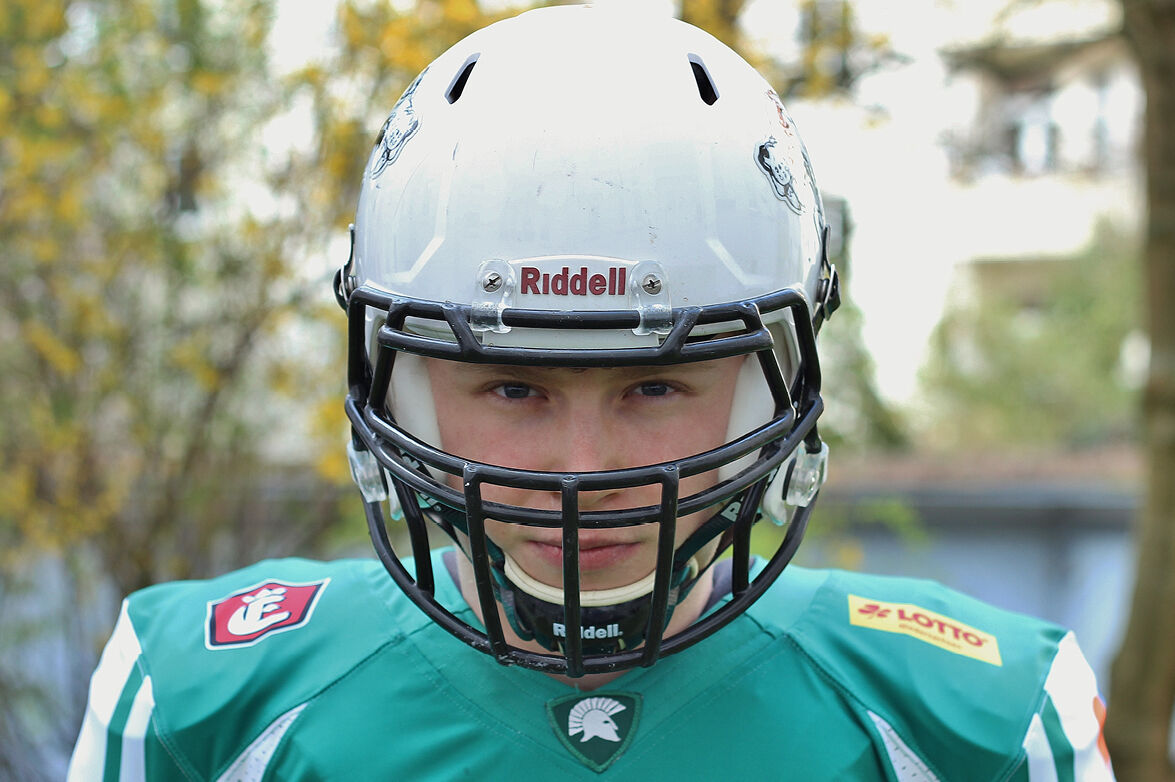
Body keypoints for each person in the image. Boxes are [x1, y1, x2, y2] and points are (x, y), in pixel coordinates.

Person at [69, 5, 1116, 780]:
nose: (585, 466)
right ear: (409, 383)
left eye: (655, 383)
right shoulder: (196, 700)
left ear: (767, 387)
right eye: (513, 385)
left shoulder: (977, 718)